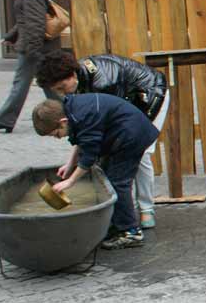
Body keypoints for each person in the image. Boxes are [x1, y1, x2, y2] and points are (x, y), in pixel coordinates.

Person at [36, 50, 168, 229]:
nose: (62, 94)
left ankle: (145, 208)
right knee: (114, 160)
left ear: (72, 75)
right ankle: (122, 207)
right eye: (56, 91)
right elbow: (86, 131)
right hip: (124, 106)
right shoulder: (76, 83)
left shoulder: (104, 81)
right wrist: (72, 163)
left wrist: (75, 176)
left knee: (140, 152)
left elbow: (120, 120)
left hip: (148, 94)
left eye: (61, 87)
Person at [33, 94, 159, 250]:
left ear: (62, 122)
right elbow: (82, 142)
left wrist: (71, 181)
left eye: (56, 134)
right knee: (107, 178)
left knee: (118, 183)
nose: (57, 138)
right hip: (121, 134)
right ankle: (116, 223)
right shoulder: (72, 111)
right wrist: (70, 164)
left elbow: (89, 156)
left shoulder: (83, 115)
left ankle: (131, 231)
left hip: (131, 136)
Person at [0, 0, 59, 133]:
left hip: (34, 46)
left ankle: (5, 119)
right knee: (49, 85)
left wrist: (33, 50)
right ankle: (69, 113)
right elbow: (28, 18)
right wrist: (11, 36)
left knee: (22, 84)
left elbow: (34, 21)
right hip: (38, 44)